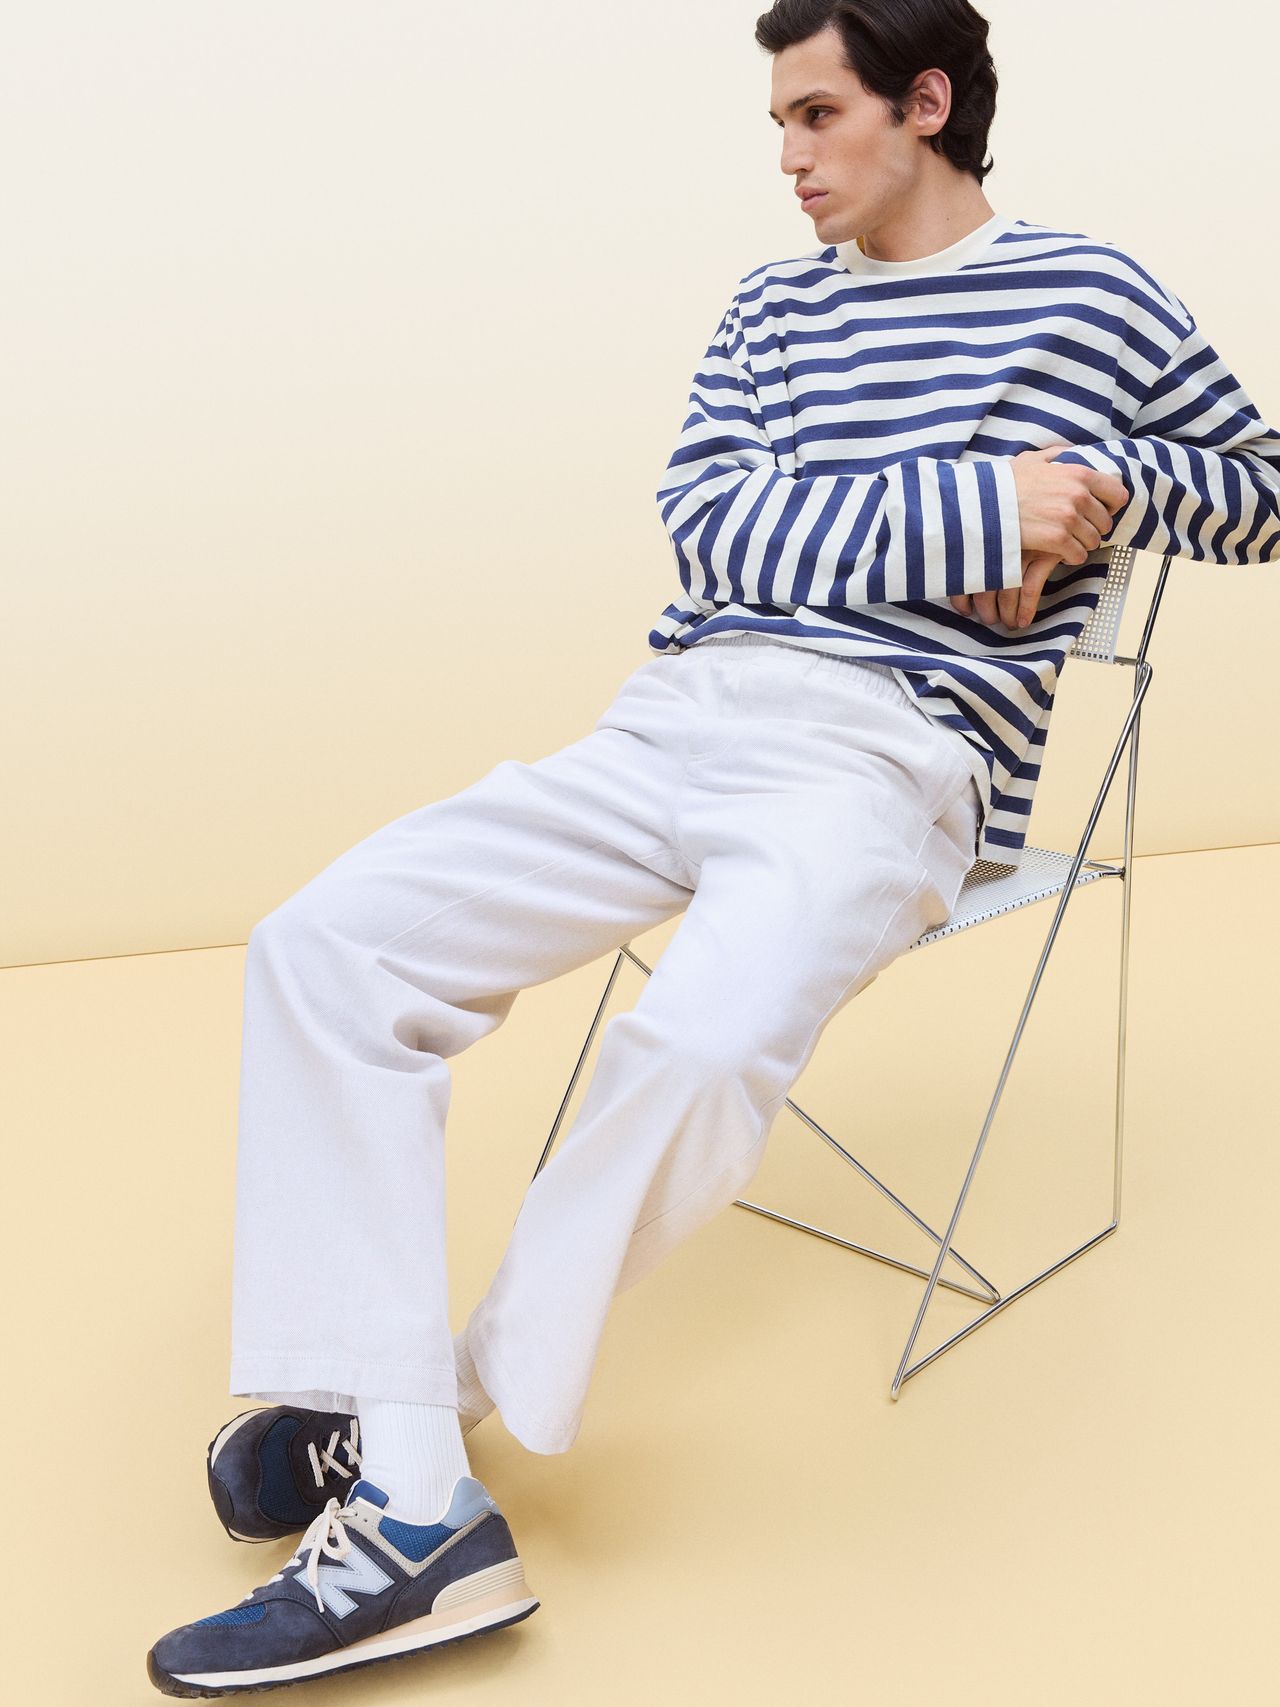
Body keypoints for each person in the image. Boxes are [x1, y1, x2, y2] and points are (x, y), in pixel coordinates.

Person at [147, 0, 1280, 1694]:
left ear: (928, 101)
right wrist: (979, 504)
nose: (788, 158)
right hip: (677, 714)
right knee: (325, 943)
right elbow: (709, 515)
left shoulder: (1090, 293)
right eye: (779, 122)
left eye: (818, 116)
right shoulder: (768, 307)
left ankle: (414, 1440)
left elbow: (1258, 489)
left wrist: (1091, 481)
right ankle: (413, 1474)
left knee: (703, 1038)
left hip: (898, 756)